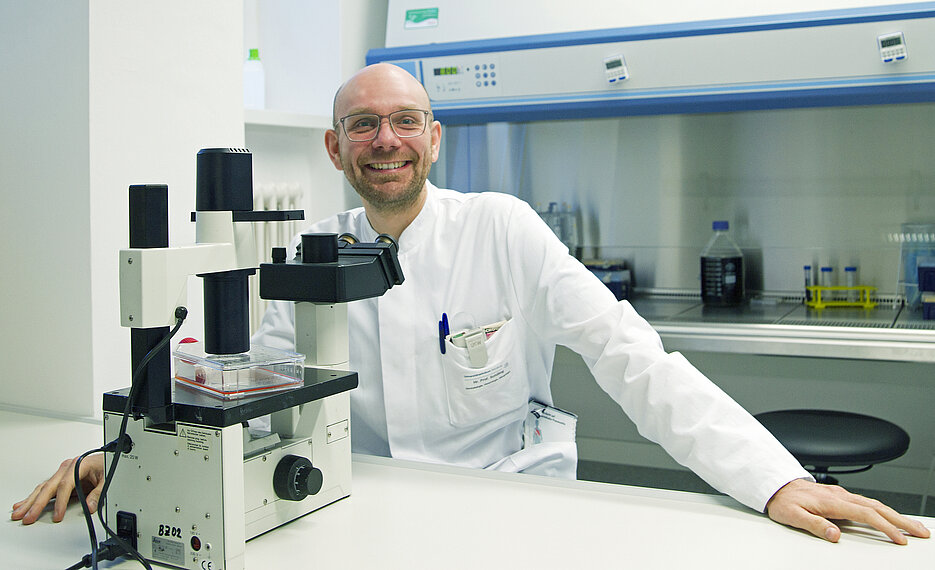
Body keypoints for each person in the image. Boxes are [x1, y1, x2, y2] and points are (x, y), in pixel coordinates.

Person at [13, 63, 930, 546]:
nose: (386, 140)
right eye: (362, 126)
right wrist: (123, 448)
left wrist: (772, 481)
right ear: (334, 150)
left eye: (404, 121)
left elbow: (632, 357)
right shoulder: (302, 252)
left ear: (434, 138)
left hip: (509, 499)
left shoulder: (503, 226)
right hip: (358, 502)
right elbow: (221, 365)